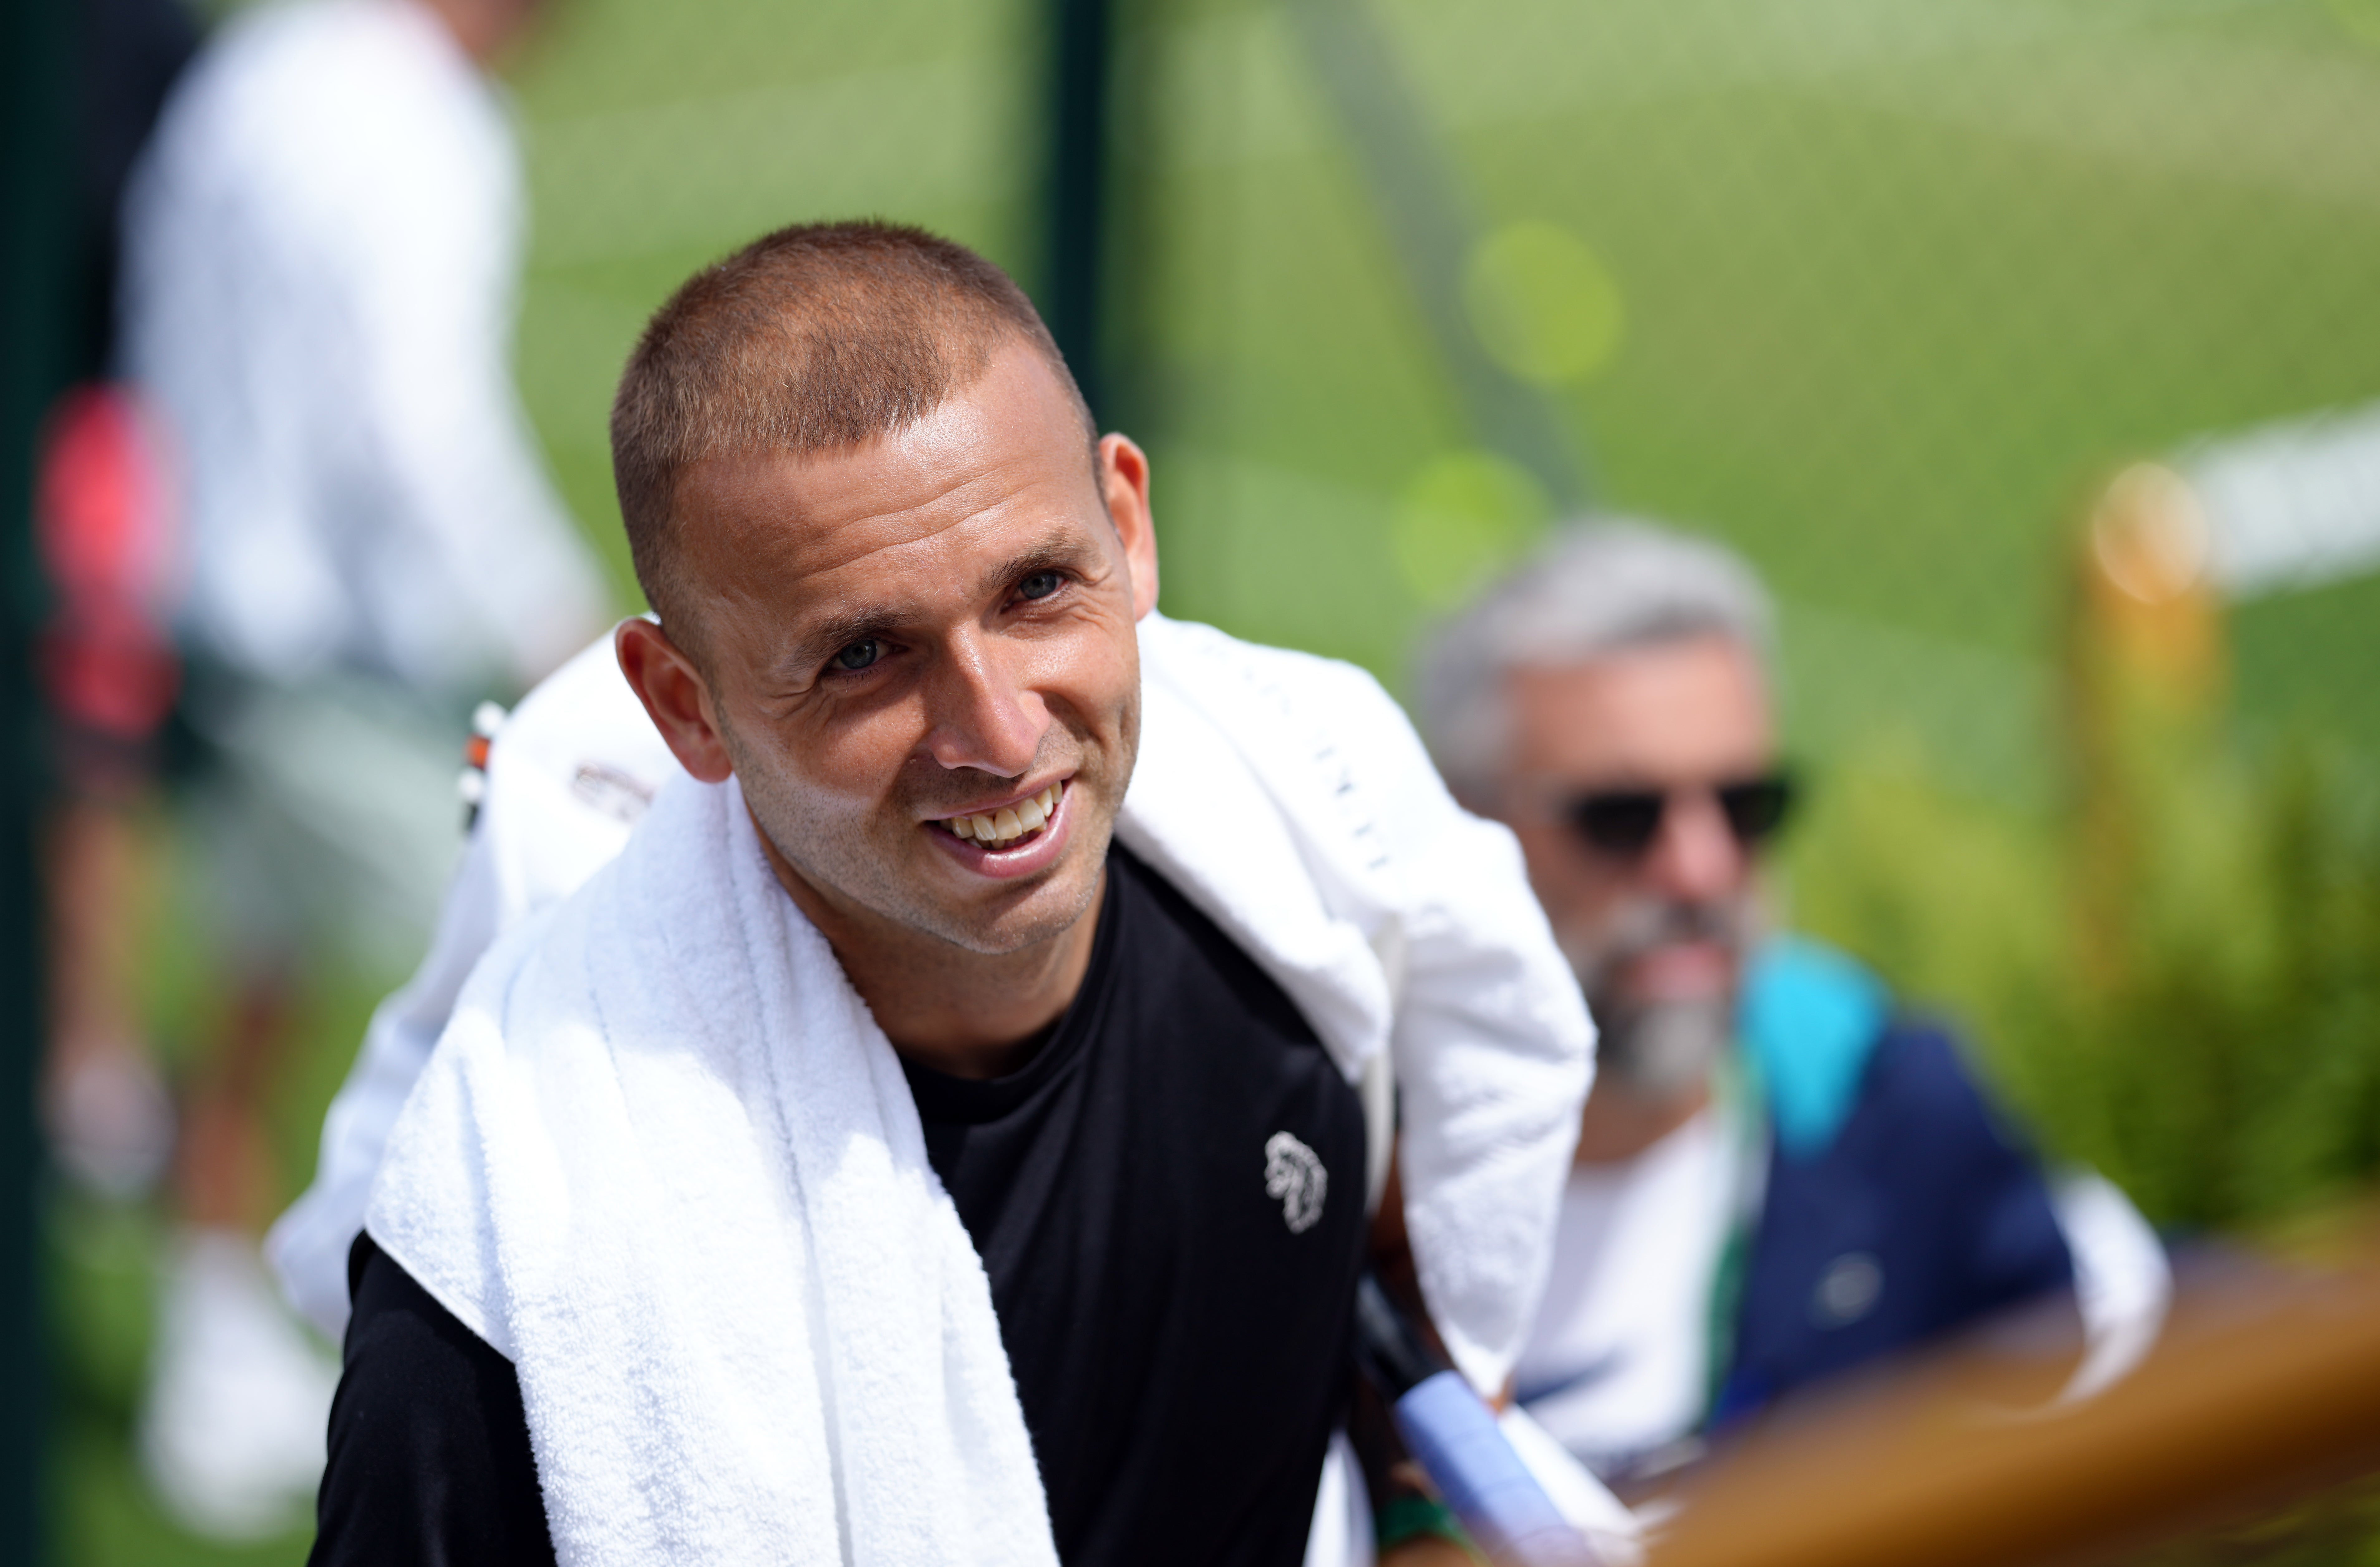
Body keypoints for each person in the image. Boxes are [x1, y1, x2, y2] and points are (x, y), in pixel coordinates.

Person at [292, 220, 1609, 1567]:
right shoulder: (523, 1264)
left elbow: (1419, 1314)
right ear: (685, 706)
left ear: (1130, 527)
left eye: (1038, 587)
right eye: (865, 655)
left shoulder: (1327, 888)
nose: (996, 729)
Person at [115, 0, 607, 1535]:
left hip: (202, 604)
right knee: (544, 994)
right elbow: (420, 424)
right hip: (345, 664)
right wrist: (567, 634)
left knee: (256, 977)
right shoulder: (425, 126)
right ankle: (498, 1416)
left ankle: (210, 1359)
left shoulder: (258, 67)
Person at [1414, 522, 2170, 1485]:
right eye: (1621, 817)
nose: (1700, 869)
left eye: (1745, 805)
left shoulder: (1885, 1111)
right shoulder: (1338, 1149)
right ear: (1459, 821)